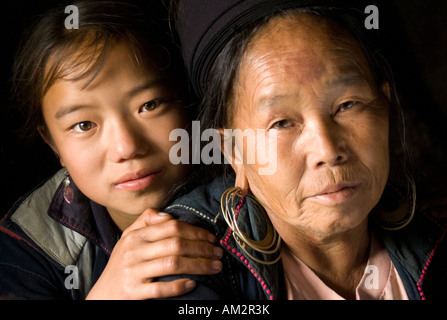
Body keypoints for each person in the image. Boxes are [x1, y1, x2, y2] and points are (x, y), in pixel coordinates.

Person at [159, 0, 447, 299]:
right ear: (233, 151)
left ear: (384, 106)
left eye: (347, 105)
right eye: (282, 122)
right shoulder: (185, 270)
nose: (327, 150)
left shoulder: (435, 236)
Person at [0, 0, 223, 300]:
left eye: (149, 105)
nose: (126, 148)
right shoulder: (29, 244)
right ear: (54, 145)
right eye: (84, 125)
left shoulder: (254, 188)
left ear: (186, 100)